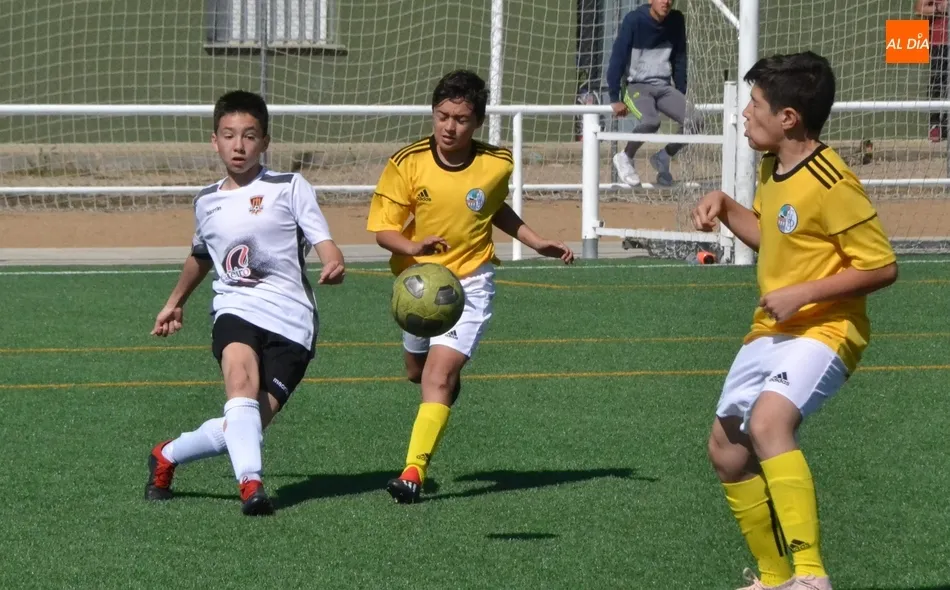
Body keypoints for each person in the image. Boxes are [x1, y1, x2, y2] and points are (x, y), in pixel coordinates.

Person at [691, 52, 898, 589]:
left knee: (768, 424)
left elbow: (881, 267)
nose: (745, 113)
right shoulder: (771, 165)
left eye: (755, 104)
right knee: (726, 451)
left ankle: (810, 577)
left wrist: (804, 293)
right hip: (772, 330)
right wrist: (725, 206)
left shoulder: (833, 182)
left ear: (788, 118)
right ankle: (774, 578)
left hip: (827, 328)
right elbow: (772, 234)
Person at [366, 69, 575, 504]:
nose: (449, 127)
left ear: (477, 121)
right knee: (417, 373)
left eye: (461, 119)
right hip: (417, 283)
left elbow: (495, 210)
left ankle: (412, 472)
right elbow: (384, 230)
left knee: (437, 376)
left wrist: (536, 241)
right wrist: (412, 245)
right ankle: (443, 388)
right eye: (442, 116)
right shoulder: (407, 163)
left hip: (470, 283)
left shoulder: (496, 164)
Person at [144, 90, 346, 516]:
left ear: (265, 142)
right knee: (239, 382)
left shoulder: (289, 186)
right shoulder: (206, 201)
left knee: (244, 425)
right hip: (235, 308)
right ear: (214, 141)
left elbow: (322, 239)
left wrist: (333, 260)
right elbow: (201, 256)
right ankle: (251, 486)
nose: (239, 145)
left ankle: (166, 454)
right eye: (229, 135)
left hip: (292, 321)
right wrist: (175, 301)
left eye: (249, 136)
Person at [606, 0, 702, 187]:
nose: (666, 2)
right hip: (637, 86)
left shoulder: (676, 20)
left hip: (664, 87)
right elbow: (617, 57)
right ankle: (625, 156)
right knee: (651, 122)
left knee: (696, 121)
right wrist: (614, 97)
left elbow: (680, 58)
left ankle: (664, 156)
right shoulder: (634, 20)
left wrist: (680, 92)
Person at [915, 0, 949, 141]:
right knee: (938, 82)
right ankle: (936, 124)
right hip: (940, 42)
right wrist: (939, 8)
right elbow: (919, 9)